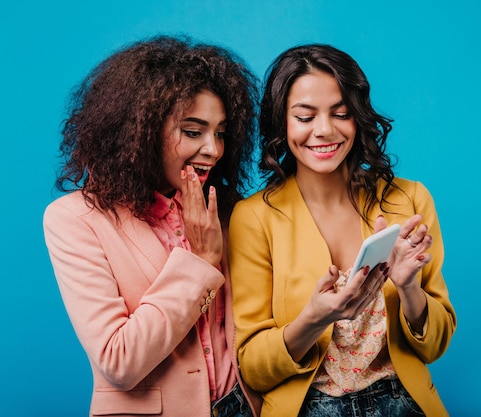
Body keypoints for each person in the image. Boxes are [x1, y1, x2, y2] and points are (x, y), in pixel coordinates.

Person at [228, 44, 457, 417]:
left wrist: (409, 288)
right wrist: (314, 319)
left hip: (403, 403)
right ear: (281, 123)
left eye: (341, 113)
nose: (325, 130)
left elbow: (434, 345)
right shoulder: (254, 218)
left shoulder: (410, 200)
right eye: (304, 117)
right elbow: (252, 365)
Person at [43, 35, 262, 417]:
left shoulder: (227, 209)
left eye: (221, 132)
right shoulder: (75, 220)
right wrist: (203, 261)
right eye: (193, 131)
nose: (214, 148)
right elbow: (119, 361)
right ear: (140, 130)